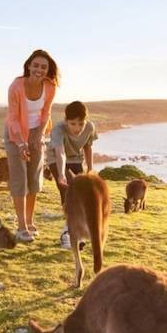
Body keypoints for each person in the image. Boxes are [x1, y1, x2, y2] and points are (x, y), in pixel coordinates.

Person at [4, 49, 58, 242]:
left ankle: (30, 219)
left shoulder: (50, 86)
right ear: (28, 66)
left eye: (44, 67)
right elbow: (12, 118)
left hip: (37, 131)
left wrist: (40, 134)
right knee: (20, 178)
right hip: (15, 133)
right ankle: (21, 226)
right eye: (36, 65)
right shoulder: (16, 86)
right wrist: (20, 143)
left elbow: (46, 113)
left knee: (34, 178)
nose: (39, 69)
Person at [46, 101, 98, 249]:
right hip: (56, 160)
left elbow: (88, 148)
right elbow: (60, 152)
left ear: (85, 121)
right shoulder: (58, 130)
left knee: (82, 195)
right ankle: (67, 234)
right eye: (73, 123)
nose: (77, 128)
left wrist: (91, 170)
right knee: (68, 191)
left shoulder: (89, 127)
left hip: (76, 159)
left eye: (80, 124)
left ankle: (76, 231)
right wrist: (61, 174)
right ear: (65, 120)